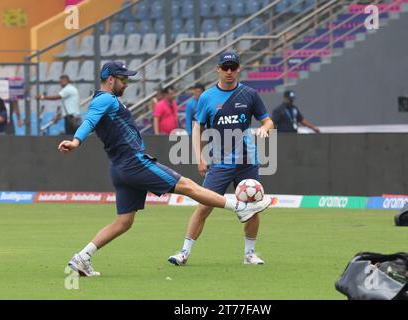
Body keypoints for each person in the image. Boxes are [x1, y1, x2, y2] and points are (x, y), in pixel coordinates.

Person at [58, 61, 271, 277]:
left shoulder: (107, 100)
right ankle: (240, 207)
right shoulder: (105, 99)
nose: (127, 84)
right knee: (187, 185)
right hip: (134, 163)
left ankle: (82, 258)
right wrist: (76, 141)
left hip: (120, 168)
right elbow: (90, 121)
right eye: (123, 79)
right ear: (111, 80)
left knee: (124, 222)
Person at [168, 51, 274, 266]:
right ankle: (184, 252)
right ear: (217, 69)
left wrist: (265, 128)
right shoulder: (207, 97)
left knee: (252, 206)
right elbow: (198, 128)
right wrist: (199, 158)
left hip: (247, 161)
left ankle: (250, 254)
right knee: (203, 206)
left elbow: (268, 121)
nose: (228, 71)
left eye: (232, 67)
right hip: (220, 163)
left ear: (238, 69)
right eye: (224, 67)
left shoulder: (250, 94)